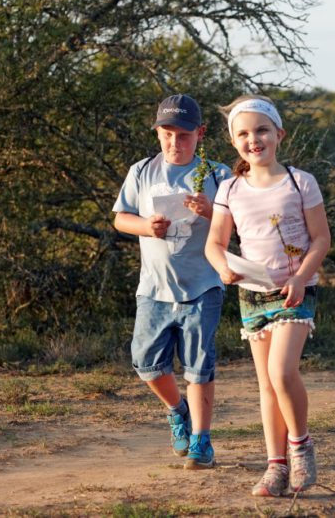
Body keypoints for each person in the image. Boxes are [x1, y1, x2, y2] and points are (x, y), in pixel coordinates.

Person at [205, 95, 331, 497]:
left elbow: (321, 238)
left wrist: (302, 278)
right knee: (265, 384)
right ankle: (274, 466)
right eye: (243, 133)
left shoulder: (300, 181)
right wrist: (223, 267)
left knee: (282, 372)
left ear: (279, 134)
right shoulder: (229, 189)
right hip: (252, 294)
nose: (253, 139)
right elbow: (214, 243)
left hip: (295, 291)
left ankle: (301, 445)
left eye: (261, 130)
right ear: (233, 142)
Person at [112, 93, 231, 470]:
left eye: (183, 135)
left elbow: (242, 224)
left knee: (198, 365)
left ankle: (201, 441)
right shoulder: (142, 170)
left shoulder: (218, 174)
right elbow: (121, 218)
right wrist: (146, 227)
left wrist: (211, 211)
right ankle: (177, 411)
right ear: (158, 133)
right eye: (167, 134)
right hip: (154, 288)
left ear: (200, 133)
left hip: (204, 285)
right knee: (145, 362)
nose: (174, 143)